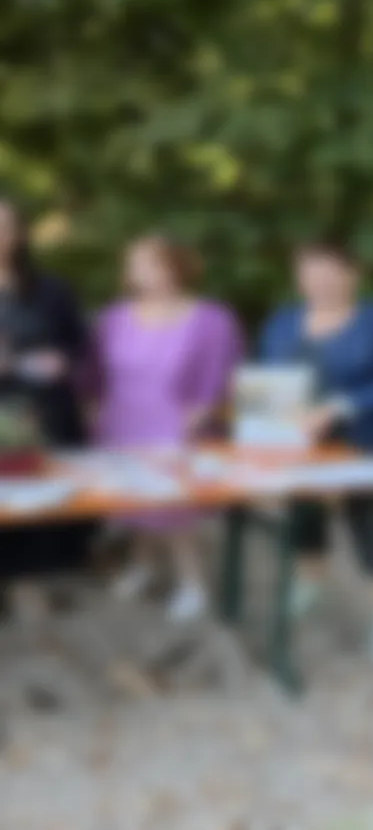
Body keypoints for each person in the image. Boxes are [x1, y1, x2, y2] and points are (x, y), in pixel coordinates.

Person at [259, 241, 373, 663]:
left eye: (330, 272)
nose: (319, 282)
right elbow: (265, 378)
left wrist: (340, 406)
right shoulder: (283, 322)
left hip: (371, 439)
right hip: (298, 444)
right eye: (310, 272)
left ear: (352, 274)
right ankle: (308, 581)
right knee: (304, 516)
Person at [98, 236, 243, 622]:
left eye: (146, 263)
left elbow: (222, 374)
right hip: (122, 422)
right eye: (133, 263)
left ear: (173, 268)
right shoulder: (112, 318)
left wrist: (202, 411)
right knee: (132, 502)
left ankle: (192, 583)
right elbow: (94, 374)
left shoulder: (211, 319)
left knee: (174, 510)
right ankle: (142, 567)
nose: (134, 271)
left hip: (174, 425)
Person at [0, 193, 96, 623]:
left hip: (45, 409)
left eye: (6, 226)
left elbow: (80, 343)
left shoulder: (51, 288)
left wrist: (63, 359)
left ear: (20, 235)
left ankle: (29, 586)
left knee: (40, 498)